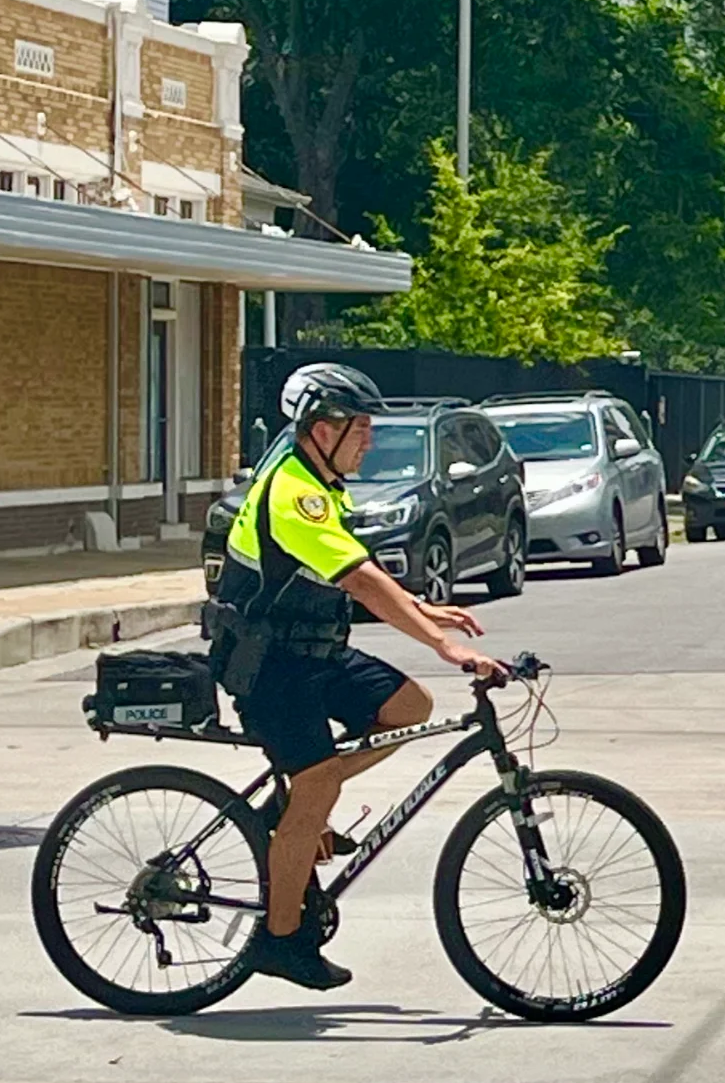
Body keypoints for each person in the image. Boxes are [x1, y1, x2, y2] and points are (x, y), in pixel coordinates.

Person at [207, 364, 506, 990]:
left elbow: (356, 566)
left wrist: (420, 607)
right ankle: (280, 940)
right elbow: (358, 579)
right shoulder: (293, 492)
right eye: (360, 428)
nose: (370, 440)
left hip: (310, 652)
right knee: (318, 788)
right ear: (321, 430)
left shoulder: (320, 481)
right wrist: (444, 646)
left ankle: (289, 811)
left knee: (408, 705)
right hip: (269, 667)